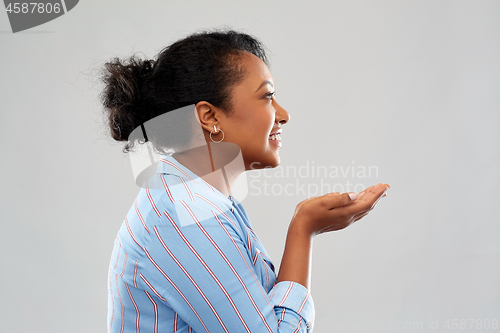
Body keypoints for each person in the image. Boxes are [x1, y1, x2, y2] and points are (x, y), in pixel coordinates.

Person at [101, 29, 390, 333]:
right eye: (267, 96)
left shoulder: (196, 198)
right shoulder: (185, 216)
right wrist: (304, 228)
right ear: (210, 117)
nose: (283, 114)